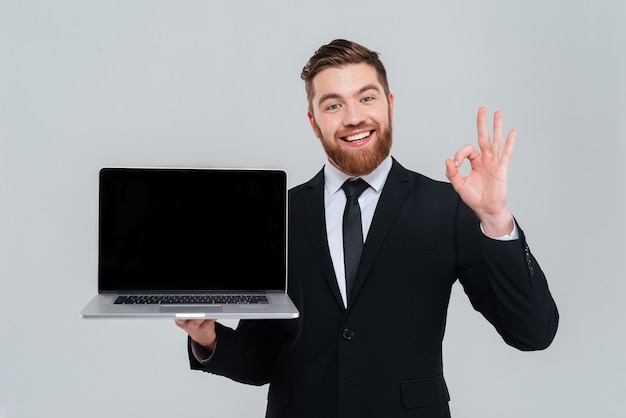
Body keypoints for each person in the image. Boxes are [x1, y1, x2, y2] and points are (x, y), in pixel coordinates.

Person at [176, 39, 559, 418]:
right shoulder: (280, 214)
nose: (353, 117)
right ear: (314, 122)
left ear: (390, 105)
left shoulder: (445, 208)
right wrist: (208, 337)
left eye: (367, 98)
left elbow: (532, 333)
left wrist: (495, 219)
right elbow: (260, 360)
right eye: (333, 105)